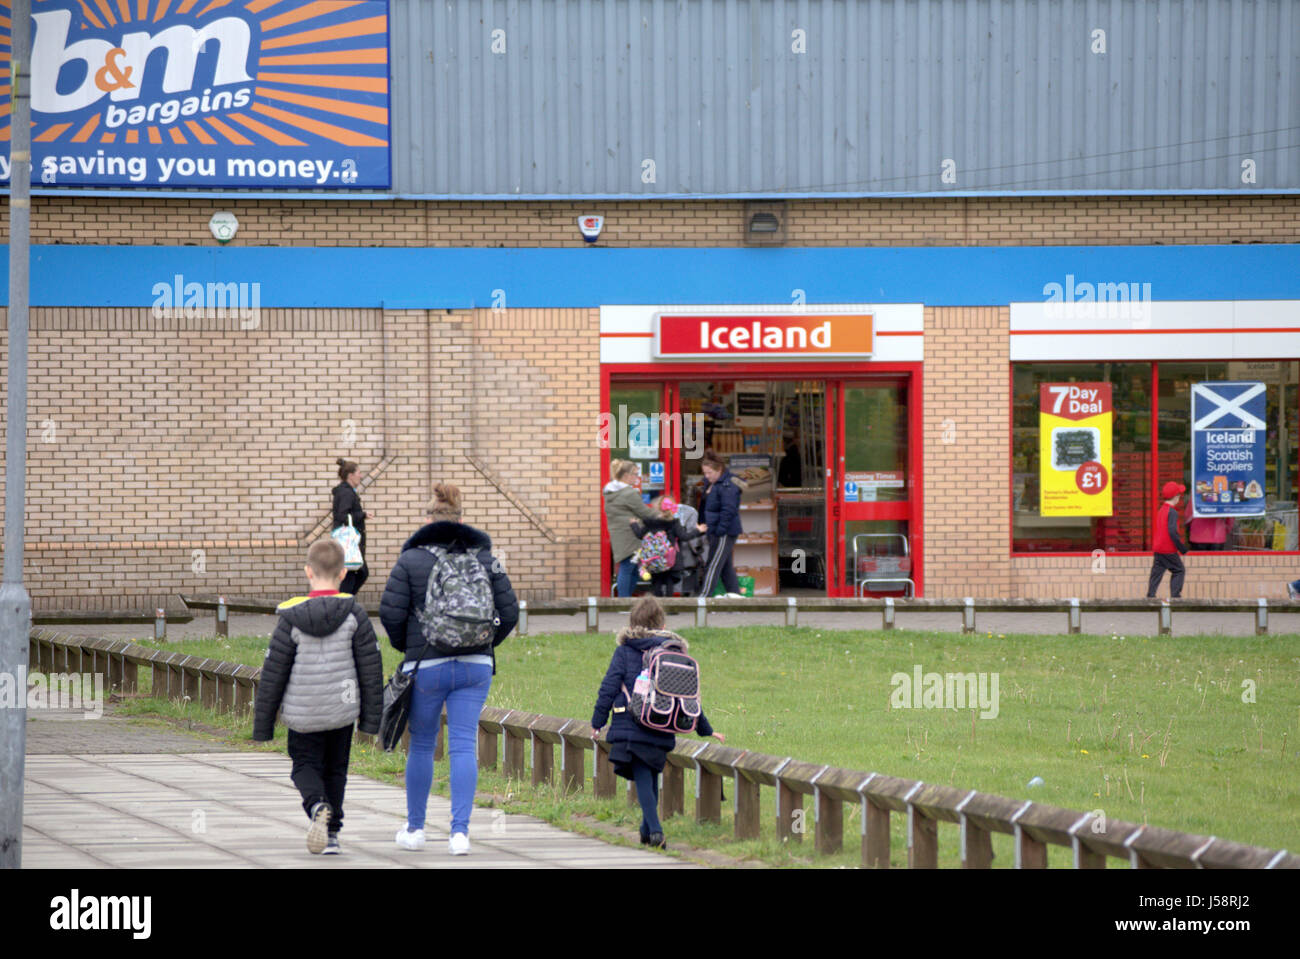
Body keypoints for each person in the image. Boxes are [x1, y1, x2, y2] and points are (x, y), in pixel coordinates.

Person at [379, 482, 518, 855]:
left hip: (426, 665)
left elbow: (390, 613)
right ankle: (460, 834)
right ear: (461, 519)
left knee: (422, 745)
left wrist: (409, 649)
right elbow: (510, 613)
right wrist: (485, 644)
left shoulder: (410, 560)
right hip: (476, 667)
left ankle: (416, 830)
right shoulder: (487, 558)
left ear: (428, 520)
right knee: (463, 745)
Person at [252, 538, 383, 855]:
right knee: (336, 770)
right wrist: (370, 720)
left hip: (303, 712)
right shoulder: (354, 615)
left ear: (309, 572)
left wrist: (263, 725)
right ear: (342, 574)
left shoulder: (291, 619)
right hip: (340, 711)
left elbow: (274, 672)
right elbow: (370, 668)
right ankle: (333, 834)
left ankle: (316, 806)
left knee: (304, 767)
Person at [589, 597, 723, 849]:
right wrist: (705, 728)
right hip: (663, 721)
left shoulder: (625, 650)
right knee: (648, 774)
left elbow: (608, 687)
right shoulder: (673, 652)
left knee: (642, 774)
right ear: (661, 623)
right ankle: (646, 831)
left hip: (632, 722)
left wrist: (597, 721)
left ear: (633, 622)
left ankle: (656, 831)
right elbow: (687, 694)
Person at [603, 459, 668, 597]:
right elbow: (644, 512)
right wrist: (662, 515)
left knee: (630, 569)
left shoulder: (610, 492)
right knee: (628, 569)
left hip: (619, 534)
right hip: (631, 535)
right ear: (626, 475)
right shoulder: (629, 493)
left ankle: (625, 602)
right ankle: (623, 603)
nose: (637, 477)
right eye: (635, 474)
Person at [630, 495, 706, 597]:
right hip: (670, 558)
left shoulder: (650, 522)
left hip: (654, 558)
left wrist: (634, 524)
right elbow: (684, 537)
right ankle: (670, 609)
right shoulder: (674, 523)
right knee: (669, 582)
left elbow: (639, 535)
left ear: (658, 507)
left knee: (657, 582)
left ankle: (658, 606)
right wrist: (698, 530)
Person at [697, 451, 745, 598]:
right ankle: (735, 596)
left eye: (709, 473)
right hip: (715, 529)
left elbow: (728, 510)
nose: (707, 476)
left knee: (713, 565)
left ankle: (703, 598)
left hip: (723, 531)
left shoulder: (727, 484)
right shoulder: (713, 483)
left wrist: (720, 530)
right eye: (705, 473)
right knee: (725, 567)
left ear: (719, 470)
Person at [333, 458, 372, 595]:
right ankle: (343, 605)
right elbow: (342, 516)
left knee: (359, 573)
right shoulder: (346, 492)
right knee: (355, 574)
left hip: (350, 544)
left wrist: (362, 514)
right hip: (349, 544)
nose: (361, 476)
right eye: (359, 473)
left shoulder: (347, 491)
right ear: (350, 475)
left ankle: (345, 604)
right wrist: (361, 515)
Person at [1147, 481, 1189, 599]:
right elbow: (1172, 531)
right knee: (1179, 570)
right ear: (1176, 497)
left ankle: (1150, 596)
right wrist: (1181, 548)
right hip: (1168, 549)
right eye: (1179, 496)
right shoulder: (1172, 512)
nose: (1179, 498)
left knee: (1157, 573)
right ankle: (1175, 597)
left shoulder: (1161, 510)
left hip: (1158, 547)